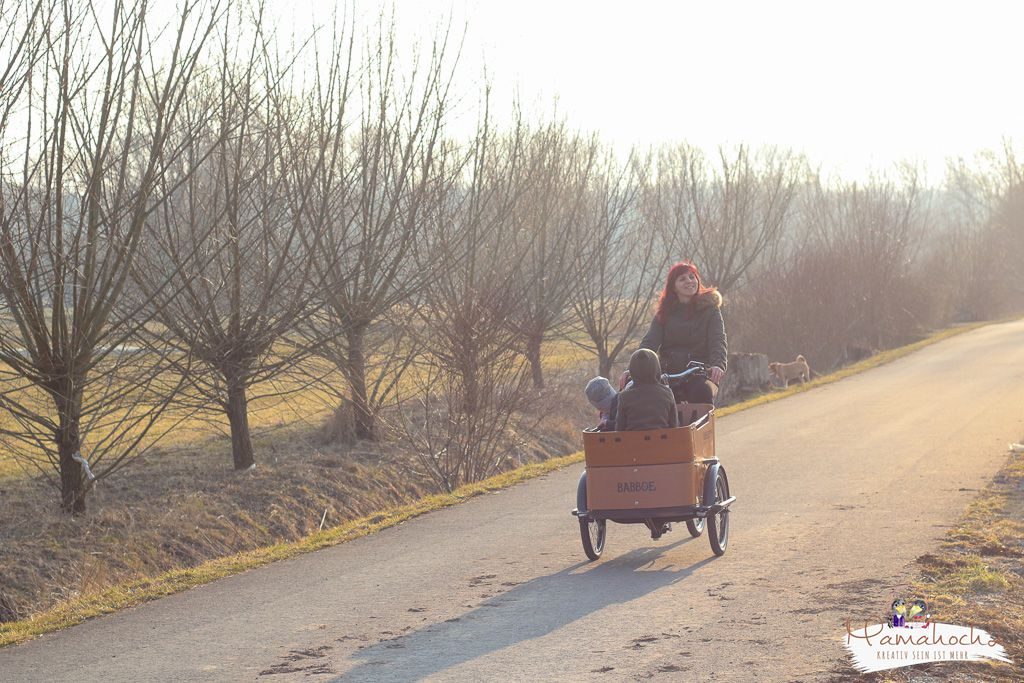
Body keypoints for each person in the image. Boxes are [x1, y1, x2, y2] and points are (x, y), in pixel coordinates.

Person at [639, 261, 727, 405]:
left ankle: (702, 427)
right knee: (651, 398)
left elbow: (718, 339)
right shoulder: (664, 314)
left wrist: (718, 364)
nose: (689, 281)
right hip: (668, 373)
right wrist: (635, 367)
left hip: (698, 371)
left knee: (702, 392)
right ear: (674, 287)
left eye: (692, 277)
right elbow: (649, 342)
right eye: (682, 279)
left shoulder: (710, 310)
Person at [616, 349, 679, 432]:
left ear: (632, 370)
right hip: (663, 443)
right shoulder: (667, 393)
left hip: (632, 443)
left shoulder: (624, 396)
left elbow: (619, 429)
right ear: (657, 368)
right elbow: (674, 426)